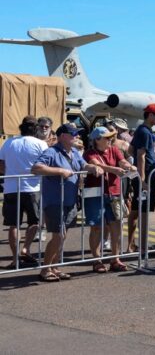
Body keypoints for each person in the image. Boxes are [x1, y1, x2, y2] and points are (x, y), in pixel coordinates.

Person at [32, 123, 104, 282]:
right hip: (55, 200)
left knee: (62, 237)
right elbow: (36, 168)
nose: (77, 136)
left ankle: (54, 267)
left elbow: (83, 164)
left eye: (77, 134)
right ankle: (45, 270)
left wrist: (92, 167)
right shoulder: (51, 152)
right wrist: (59, 171)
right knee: (58, 236)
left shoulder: (75, 152)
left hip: (70, 200)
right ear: (63, 136)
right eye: (73, 134)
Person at [83, 126, 135, 272]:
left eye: (111, 137)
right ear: (97, 140)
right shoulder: (89, 153)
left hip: (114, 192)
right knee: (96, 227)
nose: (111, 139)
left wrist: (129, 166)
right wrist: (114, 170)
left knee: (116, 226)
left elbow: (122, 161)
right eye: (107, 137)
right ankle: (96, 260)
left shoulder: (114, 150)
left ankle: (115, 258)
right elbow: (97, 164)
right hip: (95, 194)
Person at [0, 116, 48, 266]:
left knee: (14, 224)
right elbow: (45, 165)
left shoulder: (8, 142)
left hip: (11, 187)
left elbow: (1, 166)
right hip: (33, 188)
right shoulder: (41, 144)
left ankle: (15, 259)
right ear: (36, 129)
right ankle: (26, 248)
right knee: (34, 222)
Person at [128, 103, 155, 254]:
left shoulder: (144, 131)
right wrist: (142, 181)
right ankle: (142, 247)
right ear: (150, 115)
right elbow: (140, 155)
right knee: (142, 212)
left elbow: (130, 149)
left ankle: (132, 245)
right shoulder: (144, 132)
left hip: (145, 176)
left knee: (136, 212)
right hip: (145, 177)